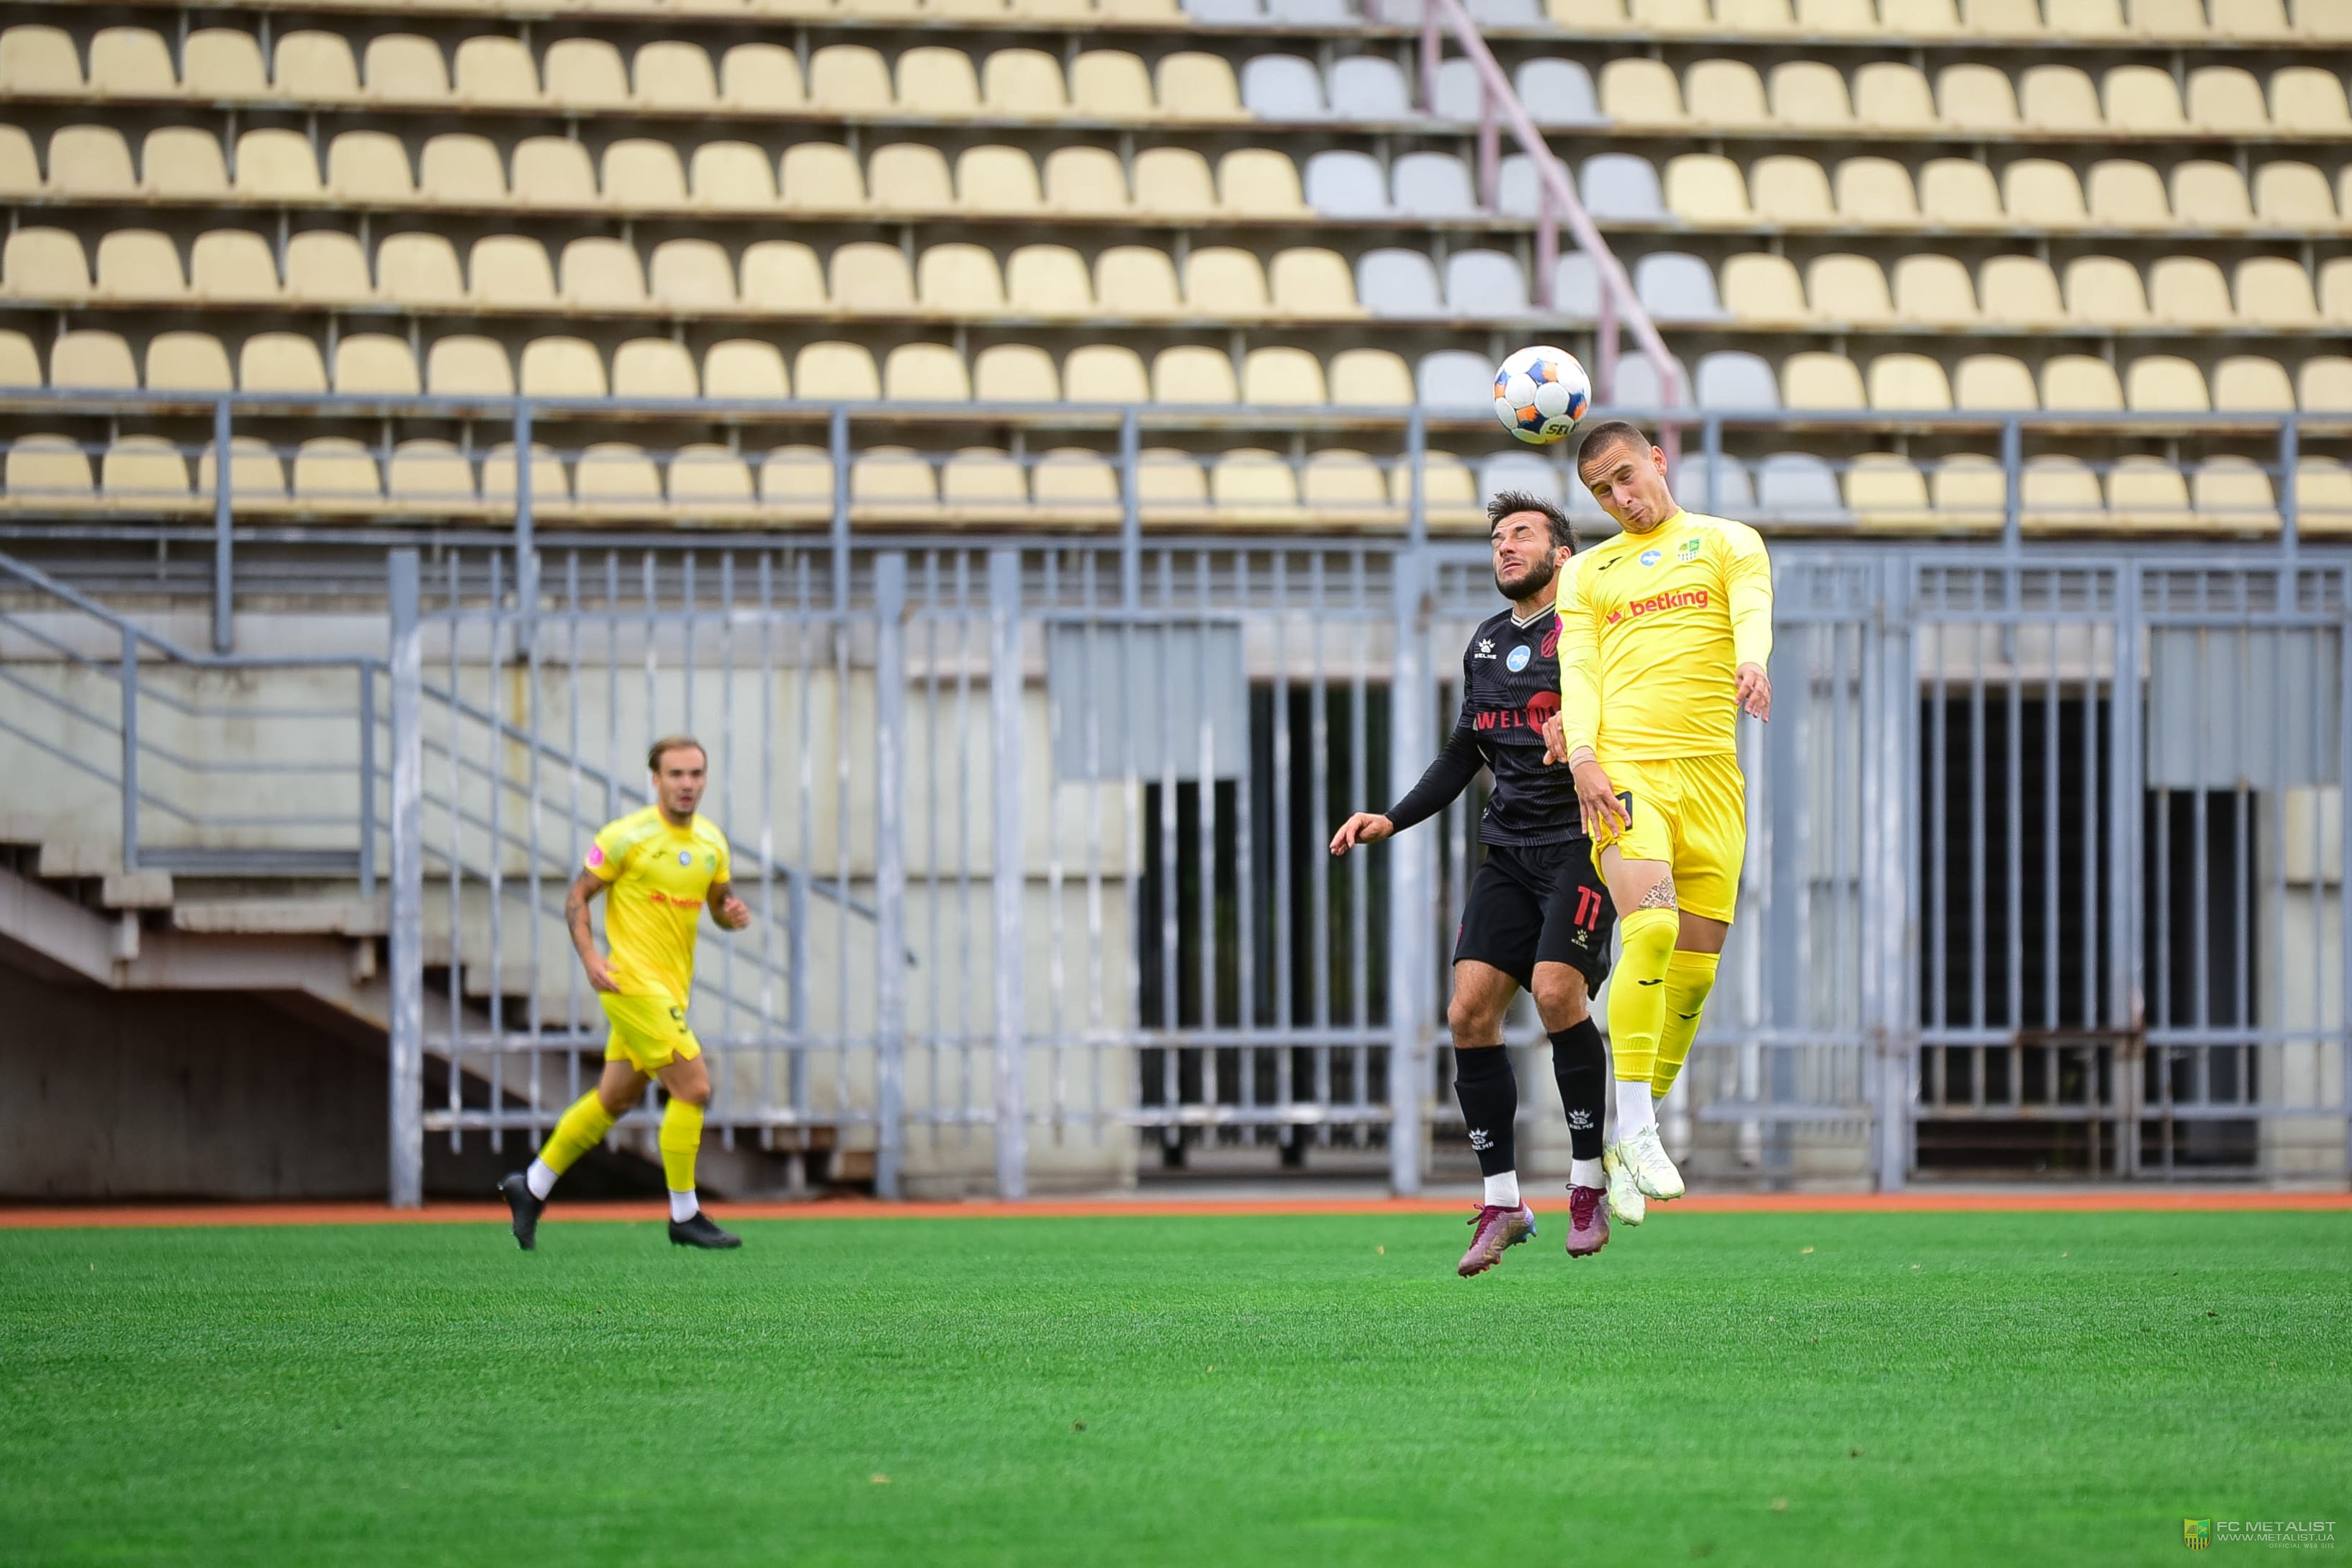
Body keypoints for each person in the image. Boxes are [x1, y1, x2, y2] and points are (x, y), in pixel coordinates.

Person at [1330, 492, 1618, 1274]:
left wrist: (1588, 742)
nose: (1505, 547)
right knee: (1467, 1013)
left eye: (1521, 534)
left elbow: (1633, 727)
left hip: (1583, 848)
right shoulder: (1487, 642)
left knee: (1556, 993)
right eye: (1496, 538)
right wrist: (1392, 817)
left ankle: (1587, 1183)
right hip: (1508, 854)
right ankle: (1504, 1203)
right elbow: (1466, 751)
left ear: (1563, 554)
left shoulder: (1592, 635)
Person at [1543, 420, 1772, 1227]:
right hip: (1625, 774)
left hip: (1712, 778)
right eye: (1600, 491)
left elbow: (1751, 606)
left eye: (1626, 477)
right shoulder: (1587, 572)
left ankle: (1624, 1140)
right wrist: (1583, 757)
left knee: (1696, 974)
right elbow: (1579, 669)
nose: (1620, 498)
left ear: (1658, 460)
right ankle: (1639, 1129)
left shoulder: (1727, 540)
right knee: (1650, 929)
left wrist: (1753, 660)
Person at [499, 736, 753, 1251]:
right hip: (630, 983)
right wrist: (591, 958)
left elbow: (719, 906)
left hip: (670, 990)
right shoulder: (625, 837)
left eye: (695, 774)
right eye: (676, 774)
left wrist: (731, 917)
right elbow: (577, 896)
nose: (686, 784)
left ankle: (532, 1185)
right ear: (656, 779)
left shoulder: (712, 843)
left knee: (614, 1098)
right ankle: (684, 1214)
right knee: (694, 1088)